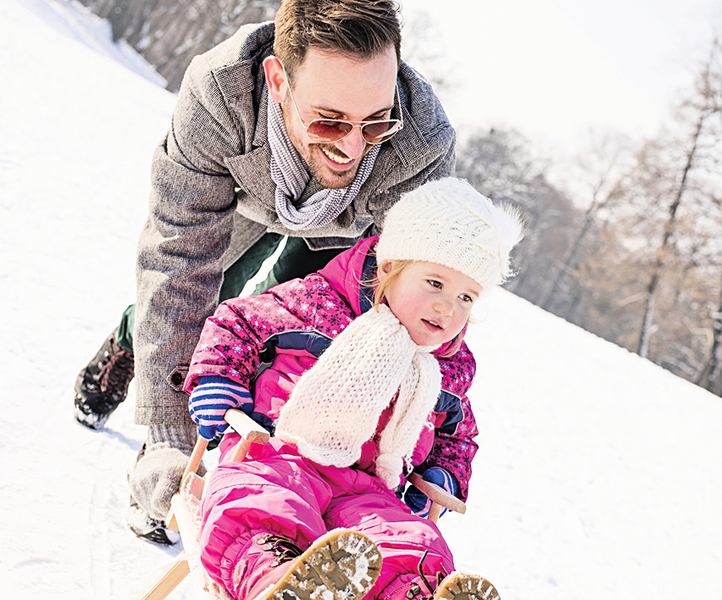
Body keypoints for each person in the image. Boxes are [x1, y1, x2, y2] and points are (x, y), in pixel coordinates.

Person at [71, 0, 455, 541]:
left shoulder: (423, 146)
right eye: (329, 119)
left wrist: (420, 447)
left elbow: (409, 308)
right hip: (241, 199)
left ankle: (247, 470)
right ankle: (129, 343)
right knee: (211, 296)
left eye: (376, 122)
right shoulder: (219, 93)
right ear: (278, 80)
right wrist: (169, 435)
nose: (350, 147)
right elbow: (179, 259)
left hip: (344, 234)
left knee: (282, 337)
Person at [184, 178, 521, 600]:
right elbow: (238, 321)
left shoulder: (447, 366)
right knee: (263, 500)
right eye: (435, 283)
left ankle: (411, 593)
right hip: (280, 451)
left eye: (467, 297)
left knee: (412, 539)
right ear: (389, 269)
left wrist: (442, 474)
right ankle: (275, 576)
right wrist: (219, 380)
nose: (448, 307)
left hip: (369, 486)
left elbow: (459, 435)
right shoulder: (319, 304)